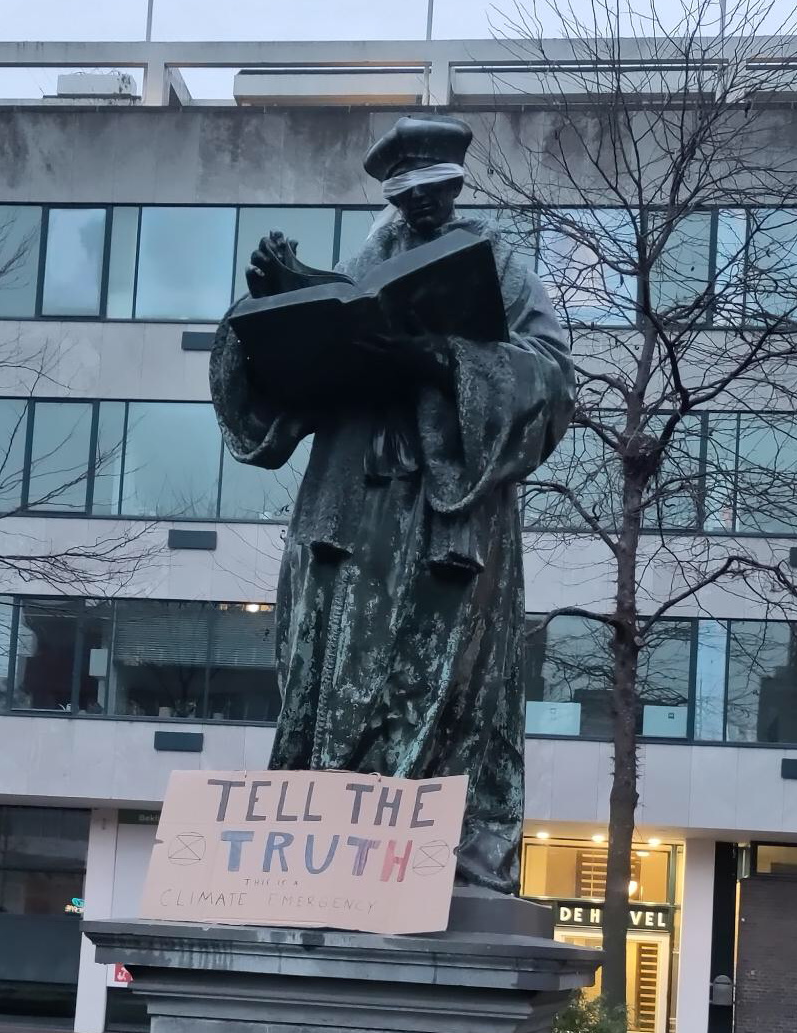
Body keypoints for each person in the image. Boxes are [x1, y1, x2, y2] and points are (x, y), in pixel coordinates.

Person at [210, 115, 574, 893]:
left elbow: (550, 381)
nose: (424, 207)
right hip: (347, 512)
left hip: (444, 516)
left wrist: (438, 357)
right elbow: (277, 400)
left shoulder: (502, 267)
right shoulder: (356, 268)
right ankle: (323, 827)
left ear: (456, 188)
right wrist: (269, 309)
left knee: (440, 672)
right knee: (330, 658)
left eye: (437, 192)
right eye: (409, 195)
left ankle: (432, 843)